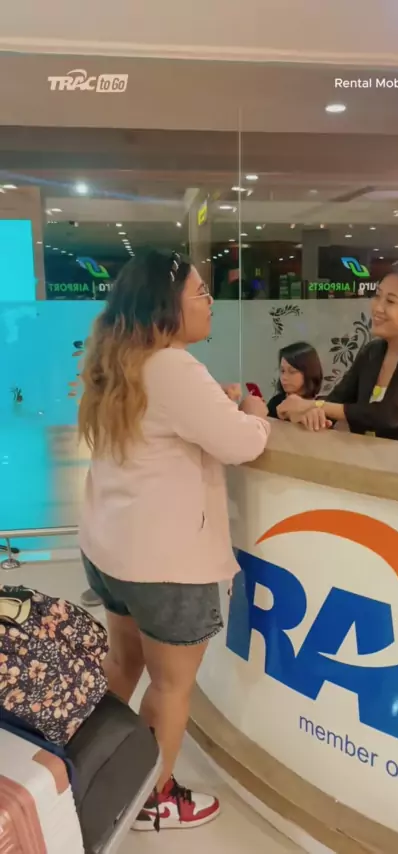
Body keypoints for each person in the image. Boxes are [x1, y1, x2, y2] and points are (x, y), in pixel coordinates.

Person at [78, 250, 270, 831]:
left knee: (123, 663)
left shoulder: (115, 359)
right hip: (166, 564)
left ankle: (81, 769)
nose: (210, 303)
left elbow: (164, 427)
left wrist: (217, 404)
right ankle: (151, 798)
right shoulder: (173, 367)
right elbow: (242, 443)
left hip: (111, 551)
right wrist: (254, 410)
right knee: (170, 686)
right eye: (201, 293)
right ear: (167, 307)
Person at [278, 259, 398, 446]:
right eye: (377, 296)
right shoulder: (372, 352)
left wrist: (314, 405)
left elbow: (388, 415)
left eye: (390, 301)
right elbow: (337, 400)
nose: (377, 307)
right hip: (367, 460)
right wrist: (313, 414)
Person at [267, 341, 323, 419]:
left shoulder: (320, 406)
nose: (284, 377)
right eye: (282, 371)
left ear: (309, 372)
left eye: (292, 371)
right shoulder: (276, 402)